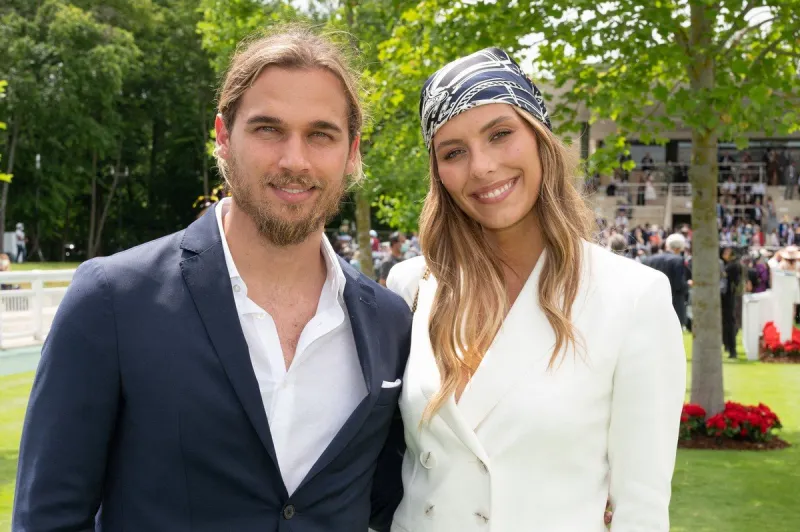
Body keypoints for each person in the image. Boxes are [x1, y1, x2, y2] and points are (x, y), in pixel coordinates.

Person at [13, 26, 410, 532]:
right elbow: (49, 518)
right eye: (268, 129)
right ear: (223, 138)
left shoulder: (390, 323)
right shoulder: (113, 299)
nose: (294, 159)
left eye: (320, 134)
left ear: (351, 152)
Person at [387, 48, 685, 531]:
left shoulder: (631, 298)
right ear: (438, 173)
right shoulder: (414, 285)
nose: (481, 167)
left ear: (539, 136)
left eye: (500, 134)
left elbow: (641, 512)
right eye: (453, 151)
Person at [641, 233, 690, 327]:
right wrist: (687, 285)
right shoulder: (678, 260)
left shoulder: (649, 259)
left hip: (652, 304)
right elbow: (679, 285)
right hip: (673, 305)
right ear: (680, 248)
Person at [721, 246, 741, 359]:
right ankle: (728, 346)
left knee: (729, 322)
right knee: (728, 322)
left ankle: (731, 348)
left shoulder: (732, 266)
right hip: (729, 296)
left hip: (729, 297)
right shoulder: (732, 265)